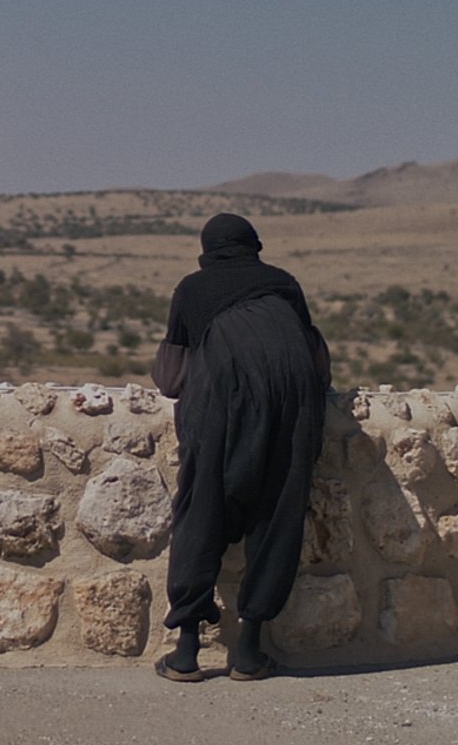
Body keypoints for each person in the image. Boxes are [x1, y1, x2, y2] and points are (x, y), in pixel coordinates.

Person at [151, 212, 329, 682]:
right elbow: (316, 360)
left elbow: (171, 379)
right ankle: (249, 652)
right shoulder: (284, 285)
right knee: (277, 510)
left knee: (202, 505)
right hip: (294, 400)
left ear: (207, 251)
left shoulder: (192, 290)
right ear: (254, 246)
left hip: (223, 401)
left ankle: (187, 650)